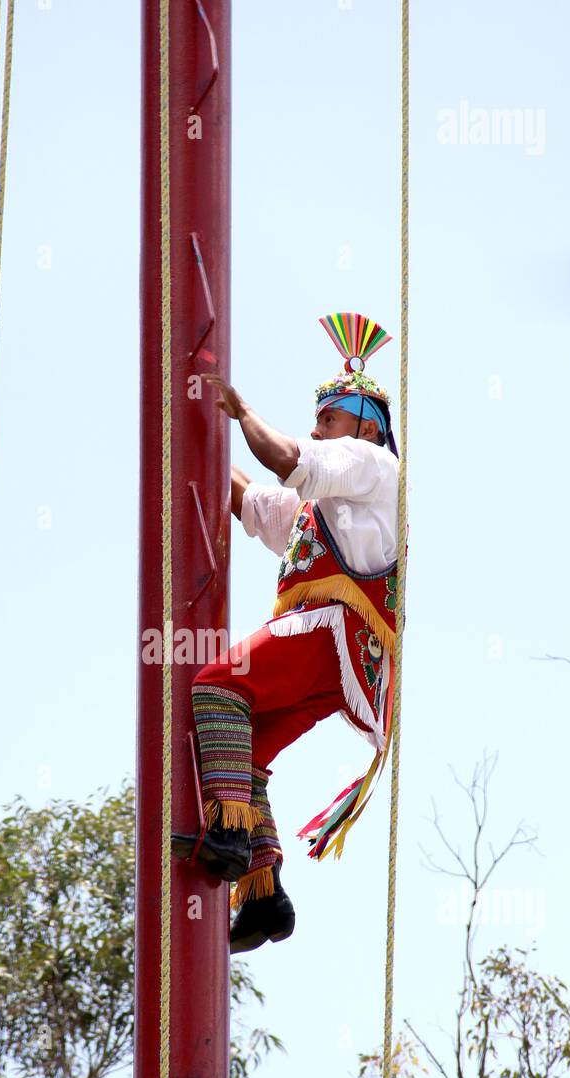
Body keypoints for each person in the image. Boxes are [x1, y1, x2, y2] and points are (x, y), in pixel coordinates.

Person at [172, 313, 402, 954]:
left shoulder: (371, 464)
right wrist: (197, 445)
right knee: (243, 755)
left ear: (361, 425)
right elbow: (251, 499)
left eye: (327, 418)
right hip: (343, 666)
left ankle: (226, 836)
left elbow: (283, 457)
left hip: (329, 634)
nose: (317, 429)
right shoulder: (327, 512)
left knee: (217, 686)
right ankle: (265, 895)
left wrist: (242, 413)